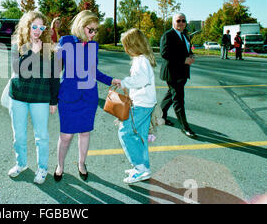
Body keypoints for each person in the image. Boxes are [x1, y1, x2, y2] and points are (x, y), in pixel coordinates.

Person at [54, 10, 118, 182]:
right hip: (68, 97)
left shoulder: (93, 46)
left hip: (88, 97)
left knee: (85, 133)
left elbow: (93, 71)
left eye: (96, 30)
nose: (94, 34)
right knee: (66, 136)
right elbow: (55, 69)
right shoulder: (66, 41)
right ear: (81, 26)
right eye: (91, 30)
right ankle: (60, 165)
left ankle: (81, 163)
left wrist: (111, 80)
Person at [7, 11, 60, 185]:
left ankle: (42, 168)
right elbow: (19, 70)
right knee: (19, 135)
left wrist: (54, 100)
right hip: (19, 97)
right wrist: (32, 53)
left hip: (41, 97)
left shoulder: (49, 48)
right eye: (34, 26)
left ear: (45, 29)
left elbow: (54, 76)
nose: (37, 30)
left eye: (41, 27)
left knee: (41, 136)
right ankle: (21, 164)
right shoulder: (18, 44)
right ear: (27, 26)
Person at [113, 28, 157, 184]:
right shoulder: (143, 59)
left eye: (126, 45)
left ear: (133, 45)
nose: (125, 49)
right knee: (140, 136)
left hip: (141, 105)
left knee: (125, 133)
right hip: (145, 103)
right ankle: (143, 167)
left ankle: (140, 168)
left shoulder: (141, 60)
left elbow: (141, 80)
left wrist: (124, 82)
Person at [159, 13, 197, 139]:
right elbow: (164, 53)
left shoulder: (185, 35)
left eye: (183, 20)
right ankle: (185, 127)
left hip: (182, 73)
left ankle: (160, 116)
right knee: (179, 100)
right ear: (173, 22)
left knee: (171, 95)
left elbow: (186, 50)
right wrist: (183, 60)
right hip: (172, 73)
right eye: (178, 20)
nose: (181, 23)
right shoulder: (168, 35)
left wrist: (191, 55)